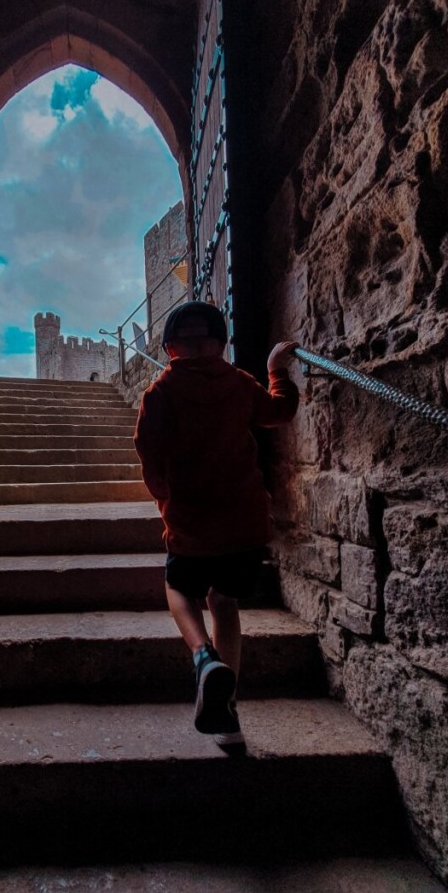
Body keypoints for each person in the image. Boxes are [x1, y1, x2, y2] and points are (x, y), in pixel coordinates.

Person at [133, 300, 299, 751]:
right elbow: (280, 411)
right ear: (218, 345)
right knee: (225, 603)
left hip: (192, 518)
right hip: (244, 518)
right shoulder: (239, 383)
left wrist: (166, 501)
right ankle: (228, 718)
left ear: (169, 348)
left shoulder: (160, 393)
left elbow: (149, 458)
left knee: (179, 588)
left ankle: (204, 659)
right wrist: (276, 369)